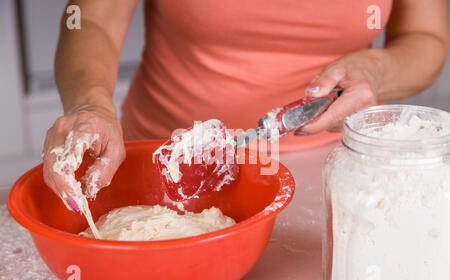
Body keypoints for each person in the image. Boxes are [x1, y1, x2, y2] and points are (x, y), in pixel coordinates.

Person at [42, 0, 448, 211]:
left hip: (330, 172)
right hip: (159, 163)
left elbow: (425, 37)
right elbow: (89, 18)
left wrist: (377, 70)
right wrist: (89, 106)